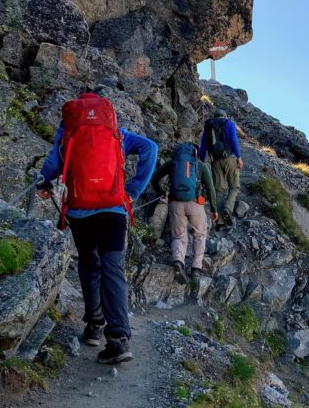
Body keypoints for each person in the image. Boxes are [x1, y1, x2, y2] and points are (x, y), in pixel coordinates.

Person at [37, 91, 157, 365]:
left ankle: (93, 327)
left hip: (80, 213)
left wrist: (43, 182)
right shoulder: (118, 134)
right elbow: (151, 148)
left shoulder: (69, 131)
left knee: (90, 265)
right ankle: (118, 341)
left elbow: (53, 166)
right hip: (113, 211)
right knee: (113, 270)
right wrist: (133, 191)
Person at [152, 143, 218, 284]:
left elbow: (154, 179)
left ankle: (178, 261)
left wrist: (162, 193)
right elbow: (211, 189)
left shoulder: (172, 164)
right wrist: (214, 209)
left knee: (179, 236)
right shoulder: (201, 166)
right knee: (200, 235)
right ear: (195, 153)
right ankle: (196, 268)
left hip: (175, 204)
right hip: (195, 204)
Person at [198, 108, 243, 226]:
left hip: (215, 161)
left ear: (215, 116)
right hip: (230, 158)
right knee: (234, 187)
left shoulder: (208, 127)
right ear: (225, 116)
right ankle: (227, 208)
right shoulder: (229, 123)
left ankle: (219, 221)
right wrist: (238, 157)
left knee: (219, 190)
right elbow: (233, 140)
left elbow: (203, 146)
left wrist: (201, 161)